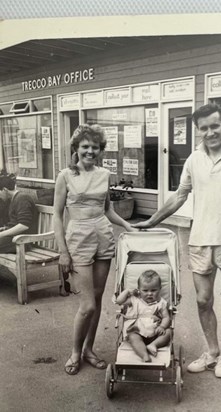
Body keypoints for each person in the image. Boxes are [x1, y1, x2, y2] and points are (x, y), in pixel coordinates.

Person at [133, 103, 221, 378]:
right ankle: (212, 352)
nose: (210, 132)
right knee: (203, 301)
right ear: (198, 131)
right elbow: (180, 195)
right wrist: (152, 220)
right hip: (201, 240)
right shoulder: (194, 160)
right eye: (203, 128)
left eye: (214, 126)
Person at [53, 124, 135, 376]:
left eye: (95, 147)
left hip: (102, 236)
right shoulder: (65, 175)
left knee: (97, 299)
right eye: (85, 146)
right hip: (78, 238)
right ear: (76, 148)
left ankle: (89, 349)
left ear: (101, 150)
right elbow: (57, 215)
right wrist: (63, 251)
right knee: (87, 304)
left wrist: (126, 224)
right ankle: (75, 353)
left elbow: (107, 209)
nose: (90, 151)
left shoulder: (104, 174)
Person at [116, 270, 171, 362]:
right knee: (133, 337)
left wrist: (162, 326)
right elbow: (119, 301)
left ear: (160, 289)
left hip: (155, 333)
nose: (149, 293)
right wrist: (127, 291)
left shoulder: (161, 303)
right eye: (145, 290)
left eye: (153, 290)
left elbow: (166, 317)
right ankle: (144, 355)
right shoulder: (134, 300)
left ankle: (153, 345)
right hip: (137, 331)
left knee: (169, 332)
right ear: (139, 289)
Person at [0, 173, 38, 252]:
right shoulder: (13, 199)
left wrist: (2, 234)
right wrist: (4, 229)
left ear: (4, 190)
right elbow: (15, 222)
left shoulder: (22, 198)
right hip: (15, 238)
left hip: (23, 240)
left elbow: (24, 226)